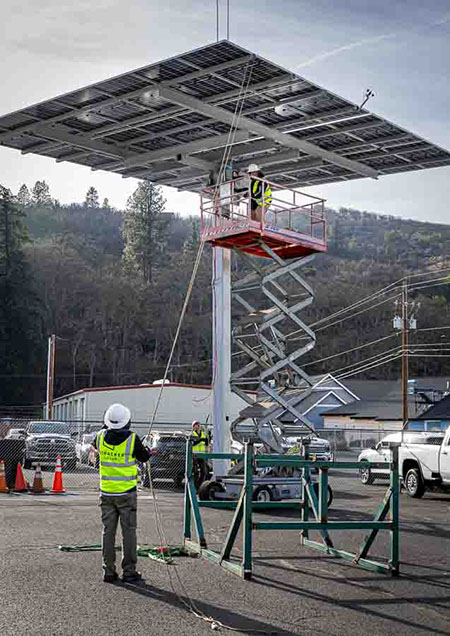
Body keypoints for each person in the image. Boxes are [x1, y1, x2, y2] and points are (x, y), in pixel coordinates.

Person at [91, 403, 150, 584]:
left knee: (108, 532)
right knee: (129, 532)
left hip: (106, 493)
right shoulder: (133, 439)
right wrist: (147, 450)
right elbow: (144, 457)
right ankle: (129, 571)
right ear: (128, 421)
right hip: (127, 494)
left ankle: (108, 571)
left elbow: (96, 444)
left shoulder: (100, 437)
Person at [191, 420, 208, 487]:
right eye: (196, 425)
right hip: (194, 455)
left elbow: (206, 443)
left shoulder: (203, 434)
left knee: (204, 471)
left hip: (201, 454)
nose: (197, 426)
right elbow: (193, 444)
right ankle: (195, 486)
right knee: (195, 472)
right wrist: (200, 440)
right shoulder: (192, 434)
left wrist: (205, 440)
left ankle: (199, 485)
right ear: (193, 427)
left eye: (198, 425)